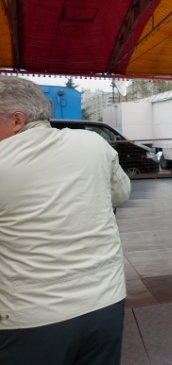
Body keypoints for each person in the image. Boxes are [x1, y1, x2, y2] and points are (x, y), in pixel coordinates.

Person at [0, 77, 131, 364]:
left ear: (17, 120)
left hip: (30, 318)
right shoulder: (92, 144)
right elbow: (120, 194)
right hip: (106, 302)